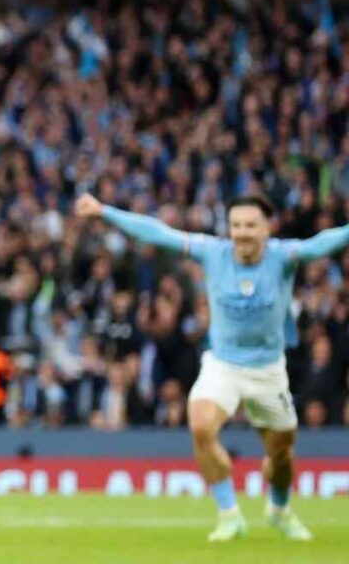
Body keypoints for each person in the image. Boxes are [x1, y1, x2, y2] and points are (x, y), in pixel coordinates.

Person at [76, 193, 349, 543]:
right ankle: (229, 513)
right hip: (223, 364)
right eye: (236, 225)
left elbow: (324, 243)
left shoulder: (283, 257)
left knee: (280, 457)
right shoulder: (214, 252)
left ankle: (279, 510)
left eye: (250, 225)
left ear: (267, 229)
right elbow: (158, 233)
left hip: (268, 370)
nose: (242, 232)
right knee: (201, 427)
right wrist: (105, 212)